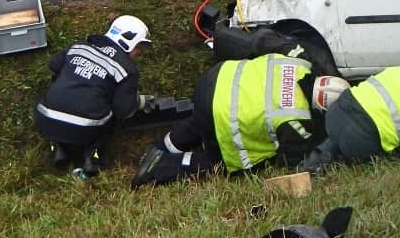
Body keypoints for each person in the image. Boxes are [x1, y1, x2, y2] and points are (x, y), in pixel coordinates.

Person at [133, 54, 339, 186]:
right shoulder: (297, 119)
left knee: (198, 123)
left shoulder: (300, 64)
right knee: (216, 162)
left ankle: (158, 148)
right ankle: (163, 165)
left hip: (216, 79)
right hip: (222, 112)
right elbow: (291, 159)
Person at [35, 15, 152, 178]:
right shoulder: (126, 69)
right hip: (85, 130)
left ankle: (59, 148)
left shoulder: (79, 47)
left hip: (46, 119)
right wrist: (139, 101)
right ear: (129, 42)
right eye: (139, 47)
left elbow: (53, 65)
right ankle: (93, 157)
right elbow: (123, 110)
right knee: (110, 115)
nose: (139, 52)